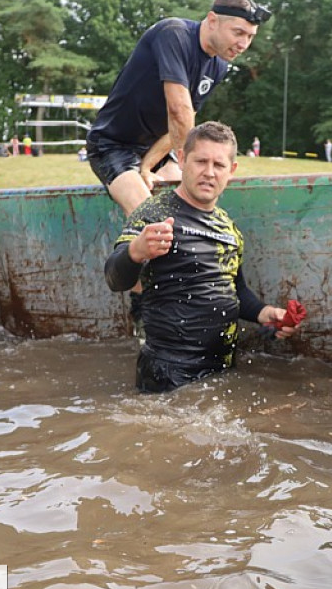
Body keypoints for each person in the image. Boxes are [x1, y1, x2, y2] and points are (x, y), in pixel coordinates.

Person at [104, 121, 301, 392]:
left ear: (231, 171)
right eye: (201, 161)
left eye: (219, 165)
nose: (209, 173)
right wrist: (135, 251)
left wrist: (266, 314)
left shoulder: (229, 228)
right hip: (168, 375)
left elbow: (235, 291)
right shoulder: (155, 213)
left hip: (221, 372)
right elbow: (114, 278)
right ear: (183, 160)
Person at [86, 0, 270, 216]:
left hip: (157, 150)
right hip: (112, 145)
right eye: (238, 33)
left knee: (192, 214)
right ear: (212, 21)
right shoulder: (174, 34)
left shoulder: (219, 65)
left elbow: (186, 120)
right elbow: (179, 111)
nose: (244, 44)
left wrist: (148, 164)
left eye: (250, 36)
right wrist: (191, 169)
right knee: (155, 221)